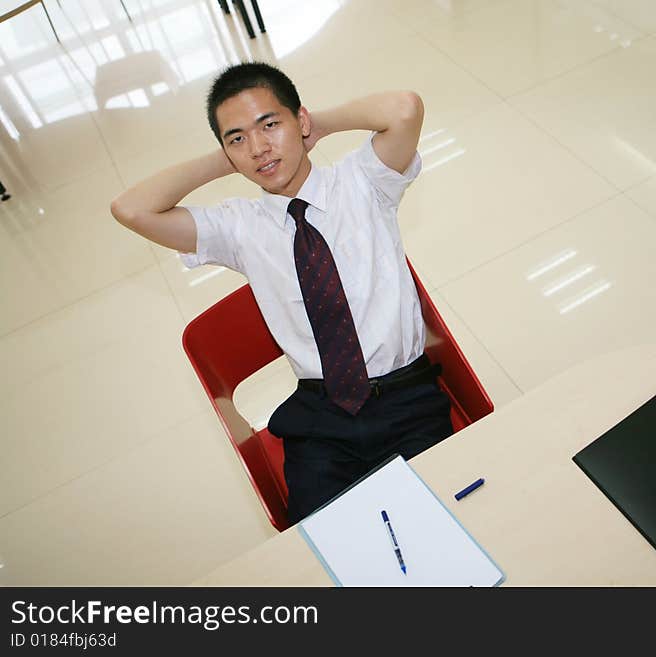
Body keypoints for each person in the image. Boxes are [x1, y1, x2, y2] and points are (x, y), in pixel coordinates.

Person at [110, 62, 452, 525]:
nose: (258, 147)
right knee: (329, 552)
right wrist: (232, 156)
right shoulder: (238, 227)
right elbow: (130, 209)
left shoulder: (364, 182)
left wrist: (313, 126)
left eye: (270, 124)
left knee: (439, 527)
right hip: (321, 419)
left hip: (406, 397)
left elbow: (405, 108)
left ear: (301, 121)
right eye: (238, 138)